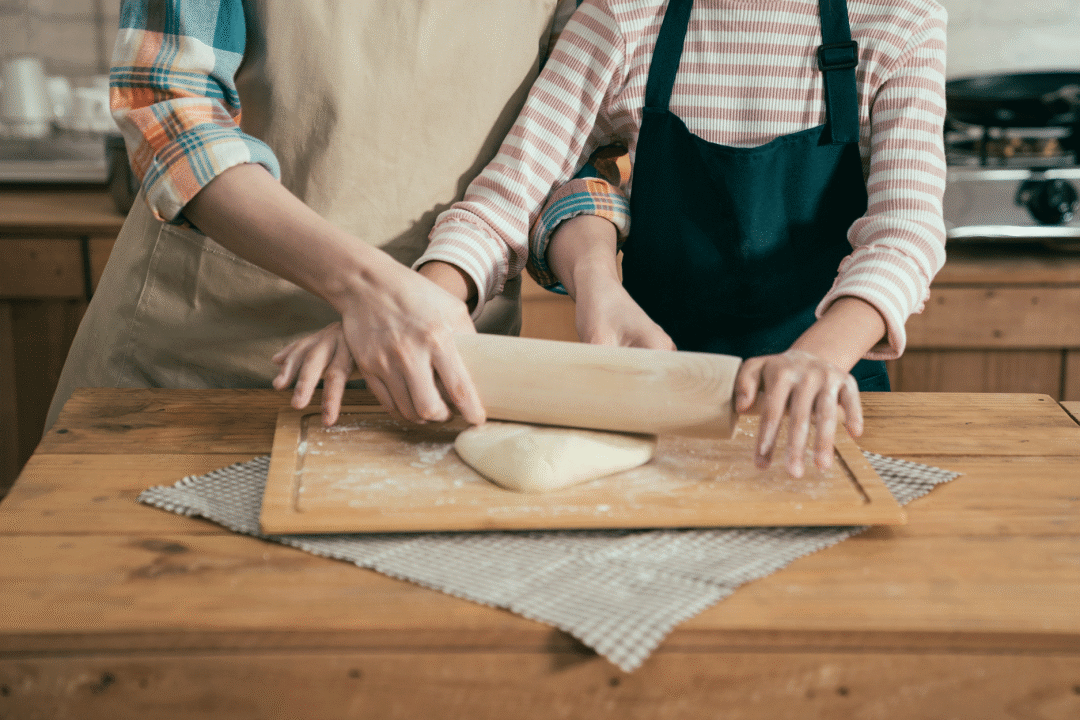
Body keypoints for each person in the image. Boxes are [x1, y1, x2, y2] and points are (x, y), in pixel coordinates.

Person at [273, 0, 949, 478]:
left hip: (825, 400)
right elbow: (510, 197)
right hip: (646, 399)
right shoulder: (626, 17)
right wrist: (415, 305)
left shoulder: (898, 19)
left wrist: (819, 359)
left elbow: (907, 230)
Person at [43, 0, 629, 433]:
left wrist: (596, 280)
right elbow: (167, 108)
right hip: (198, 370)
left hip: (444, 369)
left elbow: (568, 156)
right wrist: (371, 289)